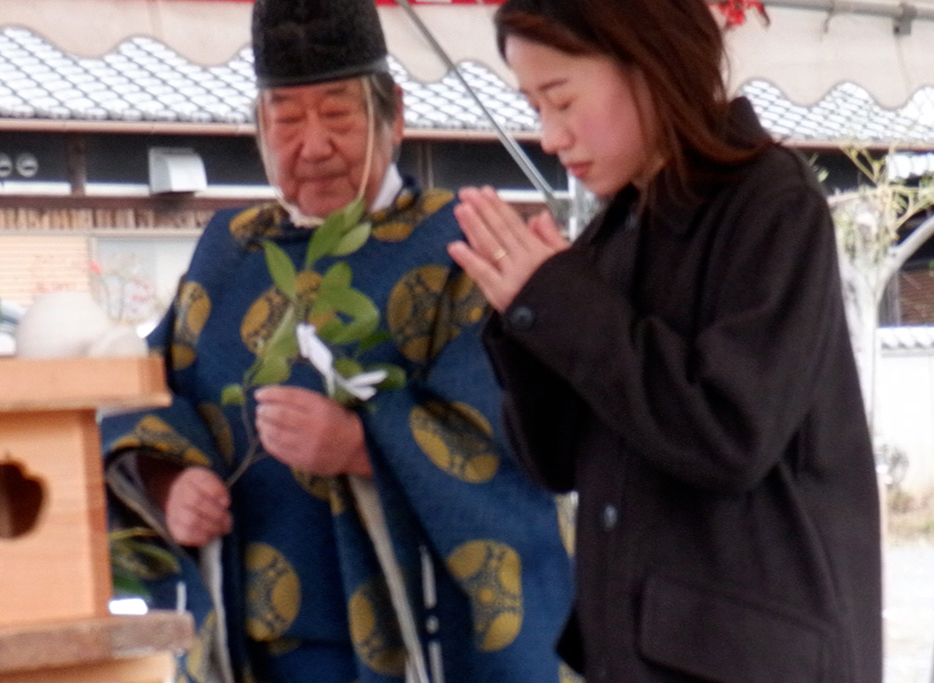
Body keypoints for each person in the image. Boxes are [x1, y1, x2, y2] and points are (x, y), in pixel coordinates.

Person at [101, 0, 573, 681]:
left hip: (407, 644)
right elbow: (140, 391)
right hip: (251, 646)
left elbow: (520, 440)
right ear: (259, 129)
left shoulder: (460, 246)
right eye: (286, 119)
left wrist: (364, 444)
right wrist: (167, 480)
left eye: (338, 114)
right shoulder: (228, 251)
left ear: (395, 115)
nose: (312, 145)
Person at [447, 0, 884, 681]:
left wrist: (560, 303)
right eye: (535, 107)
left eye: (560, 100)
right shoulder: (614, 231)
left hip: (753, 658)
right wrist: (523, 312)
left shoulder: (771, 202)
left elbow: (728, 430)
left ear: (649, 65)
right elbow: (556, 461)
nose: (550, 137)